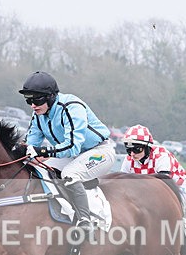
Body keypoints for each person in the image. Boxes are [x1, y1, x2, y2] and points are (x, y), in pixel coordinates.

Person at [20, 71, 115, 234]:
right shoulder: (38, 115)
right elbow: (30, 146)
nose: (32, 105)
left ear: (50, 96)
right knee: (38, 168)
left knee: (70, 174)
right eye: (29, 100)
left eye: (37, 100)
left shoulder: (71, 107)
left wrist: (42, 151)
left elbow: (72, 146)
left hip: (99, 152)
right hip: (73, 156)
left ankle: (85, 220)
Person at [119, 124, 186, 255]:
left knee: (173, 211)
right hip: (149, 189)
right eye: (128, 149)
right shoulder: (128, 160)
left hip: (175, 186)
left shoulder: (161, 154)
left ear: (148, 147)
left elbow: (162, 184)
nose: (132, 154)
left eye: (136, 149)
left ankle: (185, 245)